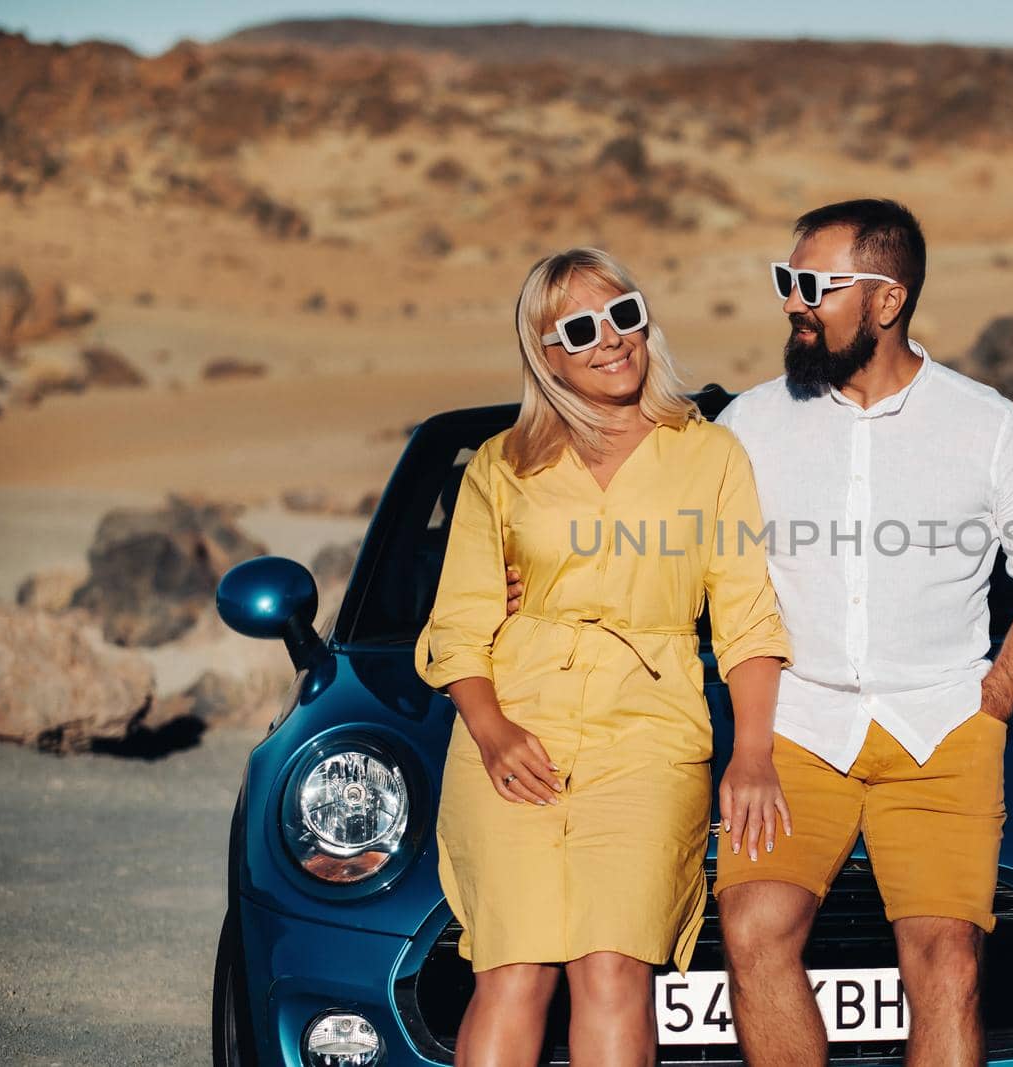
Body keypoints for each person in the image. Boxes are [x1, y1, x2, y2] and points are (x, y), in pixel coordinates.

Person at [710, 198, 1013, 1066]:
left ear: (887, 301)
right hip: (796, 730)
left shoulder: (990, 428)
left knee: (947, 961)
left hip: (943, 731)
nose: (793, 303)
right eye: (787, 281)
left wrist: (990, 702)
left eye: (815, 285)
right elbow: (685, 560)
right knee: (753, 928)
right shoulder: (748, 424)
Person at [414, 247, 793, 1067]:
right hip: (513, 730)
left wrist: (754, 750)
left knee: (614, 967)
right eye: (579, 329)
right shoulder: (500, 465)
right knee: (512, 971)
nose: (611, 340)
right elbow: (460, 623)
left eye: (623, 313)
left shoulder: (710, 455)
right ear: (545, 355)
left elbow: (748, 617)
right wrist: (491, 731)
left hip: (650, 738)